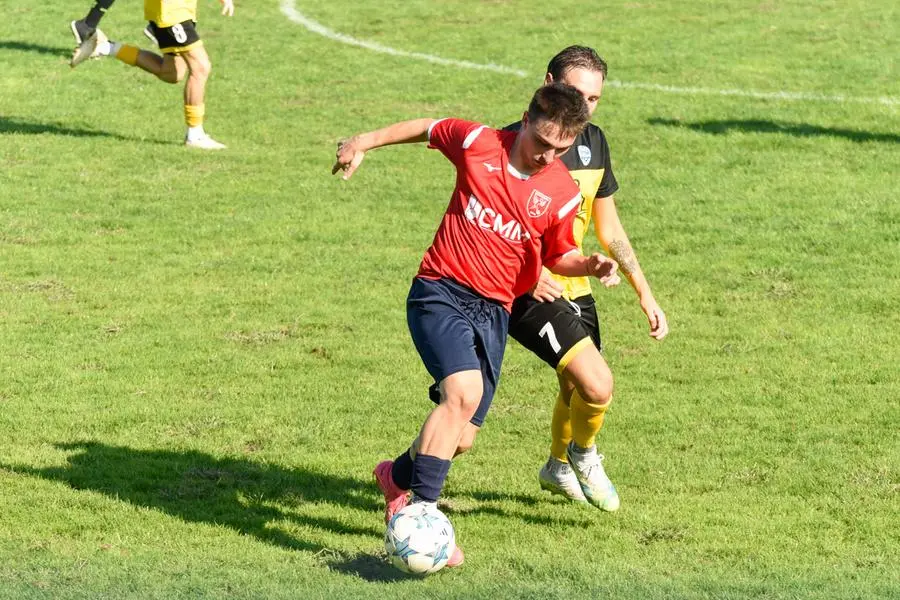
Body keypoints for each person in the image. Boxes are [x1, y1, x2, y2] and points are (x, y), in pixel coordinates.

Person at [333, 83, 620, 567]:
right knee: (461, 395)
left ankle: (396, 478)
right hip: (440, 291)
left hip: (496, 312)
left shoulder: (561, 192)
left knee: (460, 436)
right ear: (525, 120)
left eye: (560, 149)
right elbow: (426, 127)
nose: (545, 156)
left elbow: (558, 255)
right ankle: (422, 516)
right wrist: (361, 142)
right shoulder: (478, 143)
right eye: (541, 142)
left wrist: (587, 265)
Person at [506, 46, 669, 511]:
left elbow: (609, 228)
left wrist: (645, 292)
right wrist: (531, 271)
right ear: (548, 82)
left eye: (594, 98)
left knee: (575, 388)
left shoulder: (594, 143)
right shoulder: (520, 142)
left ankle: (558, 465)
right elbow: (491, 219)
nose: (584, 106)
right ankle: (583, 455)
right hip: (529, 287)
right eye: (575, 93)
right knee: (593, 383)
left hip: (576, 284)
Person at [69, 0, 235, 150]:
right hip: (172, 10)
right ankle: (195, 134)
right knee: (200, 67)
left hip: (180, 10)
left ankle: (106, 47)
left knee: (171, 73)